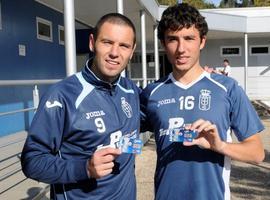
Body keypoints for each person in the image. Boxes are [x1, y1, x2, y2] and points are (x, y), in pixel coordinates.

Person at [140, 3, 265, 200]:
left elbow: (257, 153)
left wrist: (219, 145)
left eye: (189, 38)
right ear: (163, 44)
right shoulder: (151, 93)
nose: (181, 48)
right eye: (173, 39)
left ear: (202, 41)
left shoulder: (228, 88)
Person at [21, 13, 140, 200]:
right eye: (107, 42)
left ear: (132, 51)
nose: (115, 53)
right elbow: (32, 161)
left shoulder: (132, 91)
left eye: (124, 46)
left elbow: (161, 112)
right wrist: (84, 168)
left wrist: (202, 77)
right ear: (92, 43)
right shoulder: (61, 96)